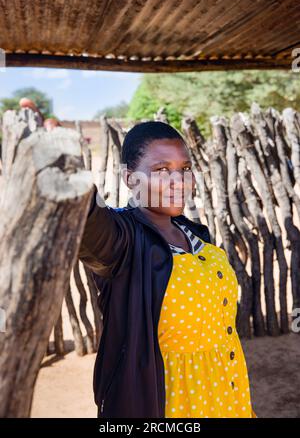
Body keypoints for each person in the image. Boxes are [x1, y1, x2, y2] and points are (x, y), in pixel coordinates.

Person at [19, 98, 257, 418]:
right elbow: (88, 217)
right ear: (130, 178)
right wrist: (53, 149)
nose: (179, 182)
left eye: (184, 169)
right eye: (161, 170)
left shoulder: (194, 234)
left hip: (229, 399)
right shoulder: (123, 242)